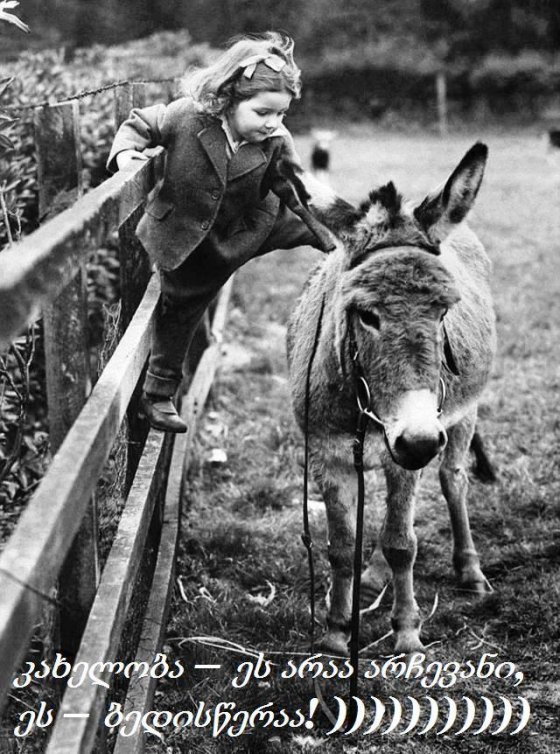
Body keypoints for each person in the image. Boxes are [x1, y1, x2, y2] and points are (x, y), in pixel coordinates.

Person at [107, 31, 332, 433]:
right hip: (189, 235)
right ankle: (159, 394)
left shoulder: (275, 142)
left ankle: (351, 242)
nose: (273, 123)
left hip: (257, 221)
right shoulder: (186, 117)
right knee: (182, 303)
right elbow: (140, 123)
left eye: (281, 115)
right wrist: (126, 153)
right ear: (228, 98)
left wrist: (324, 228)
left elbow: (296, 190)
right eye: (263, 112)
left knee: (321, 231)